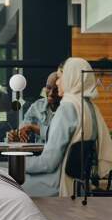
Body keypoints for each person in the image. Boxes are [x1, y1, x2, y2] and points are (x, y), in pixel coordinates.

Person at [23, 57, 112, 197]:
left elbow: (48, 163)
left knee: (1, 179)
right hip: (76, 184)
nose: (57, 83)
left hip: (55, 184)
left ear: (71, 77)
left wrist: (16, 164)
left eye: (59, 77)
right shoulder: (89, 108)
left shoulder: (68, 108)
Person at [8, 70, 61, 143]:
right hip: (39, 153)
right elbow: (24, 127)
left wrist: (34, 128)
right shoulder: (37, 106)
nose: (51, 93)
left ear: (62, 89)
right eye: (48, 88)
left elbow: (58, 135)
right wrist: (17, 135)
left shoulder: (67, 109)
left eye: (56, 90)